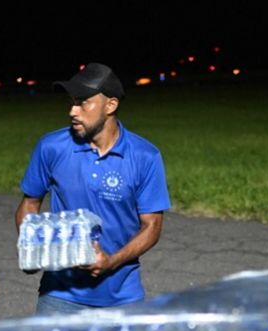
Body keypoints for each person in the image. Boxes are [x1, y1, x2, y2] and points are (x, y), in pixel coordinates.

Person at [16, 63, 171, 314]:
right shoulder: (51, 147)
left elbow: (152, 226)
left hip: (123, 297)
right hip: (59, 295)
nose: (73, 111)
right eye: (71, 102)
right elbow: (29, 203)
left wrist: (111, 262)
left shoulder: (145, 156)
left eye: (83, 102)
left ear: (111, 105)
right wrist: (30, 246)